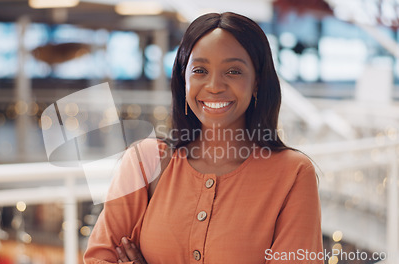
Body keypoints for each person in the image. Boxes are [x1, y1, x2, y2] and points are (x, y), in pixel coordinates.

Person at [84, 12, 323, 264]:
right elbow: (99, 258)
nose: (214, 86)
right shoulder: (145, 162)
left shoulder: (293, 174)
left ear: (257, 82)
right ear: (183, 79)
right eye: (200, 70)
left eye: (233, 71)